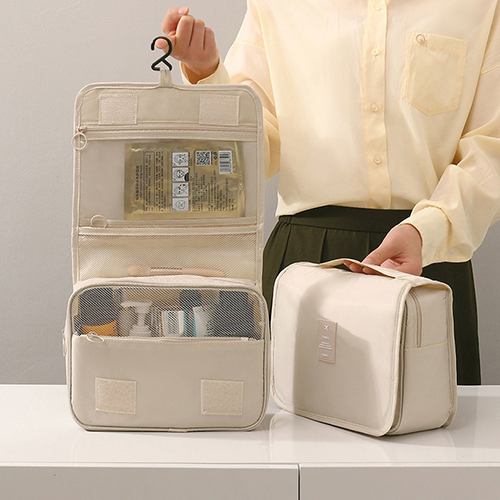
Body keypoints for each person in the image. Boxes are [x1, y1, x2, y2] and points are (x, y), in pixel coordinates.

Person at [157, 1, 500, 385]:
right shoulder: (277, 6)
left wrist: (429, 231)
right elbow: (249, 158)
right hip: (306, 263)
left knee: (438, 418)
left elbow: (491, 150)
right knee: (288, 420)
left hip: (428, 262)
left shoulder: (481, 6)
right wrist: (206, 74)